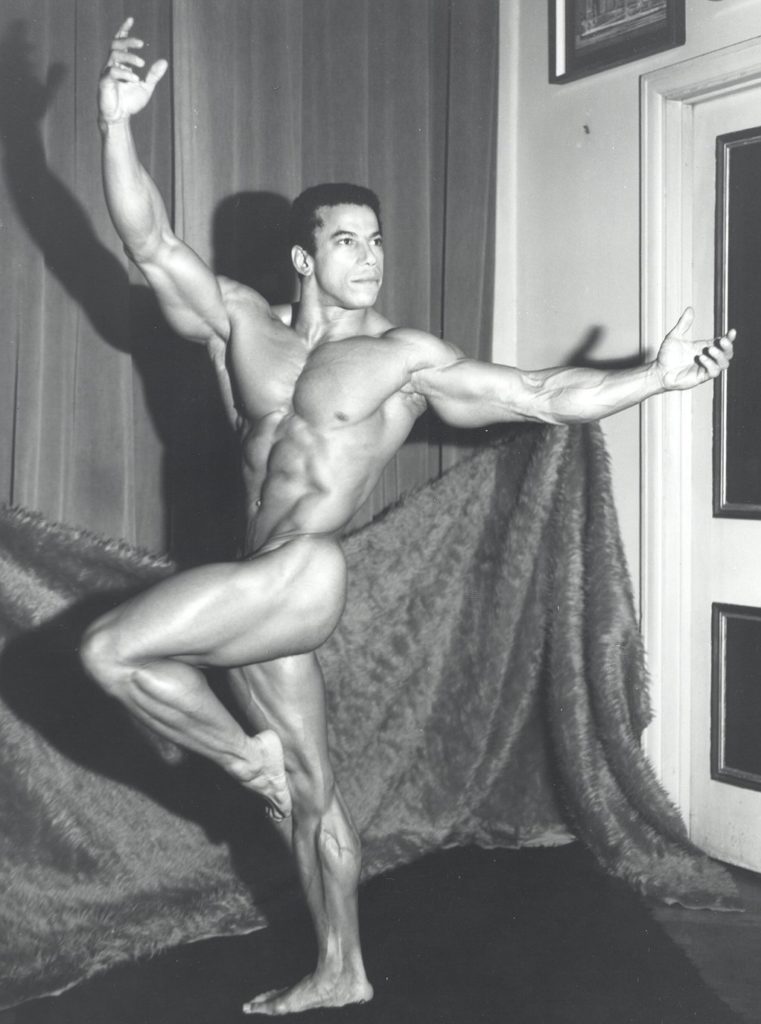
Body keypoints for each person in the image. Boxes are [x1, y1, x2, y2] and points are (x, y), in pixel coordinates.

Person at [80, 17, 735, 1018]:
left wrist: (653, 376)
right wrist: (116, 125)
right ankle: (341, 966)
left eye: (376, 240)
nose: (369, 256)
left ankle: (244, 762)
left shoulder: (401, 359)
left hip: (305, 572)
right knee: (313, 796)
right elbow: (148, 242)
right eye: (346, 240)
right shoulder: (238, 324)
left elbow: (539, 394)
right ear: (303, 257)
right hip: (254, 583)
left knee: (110, 650)